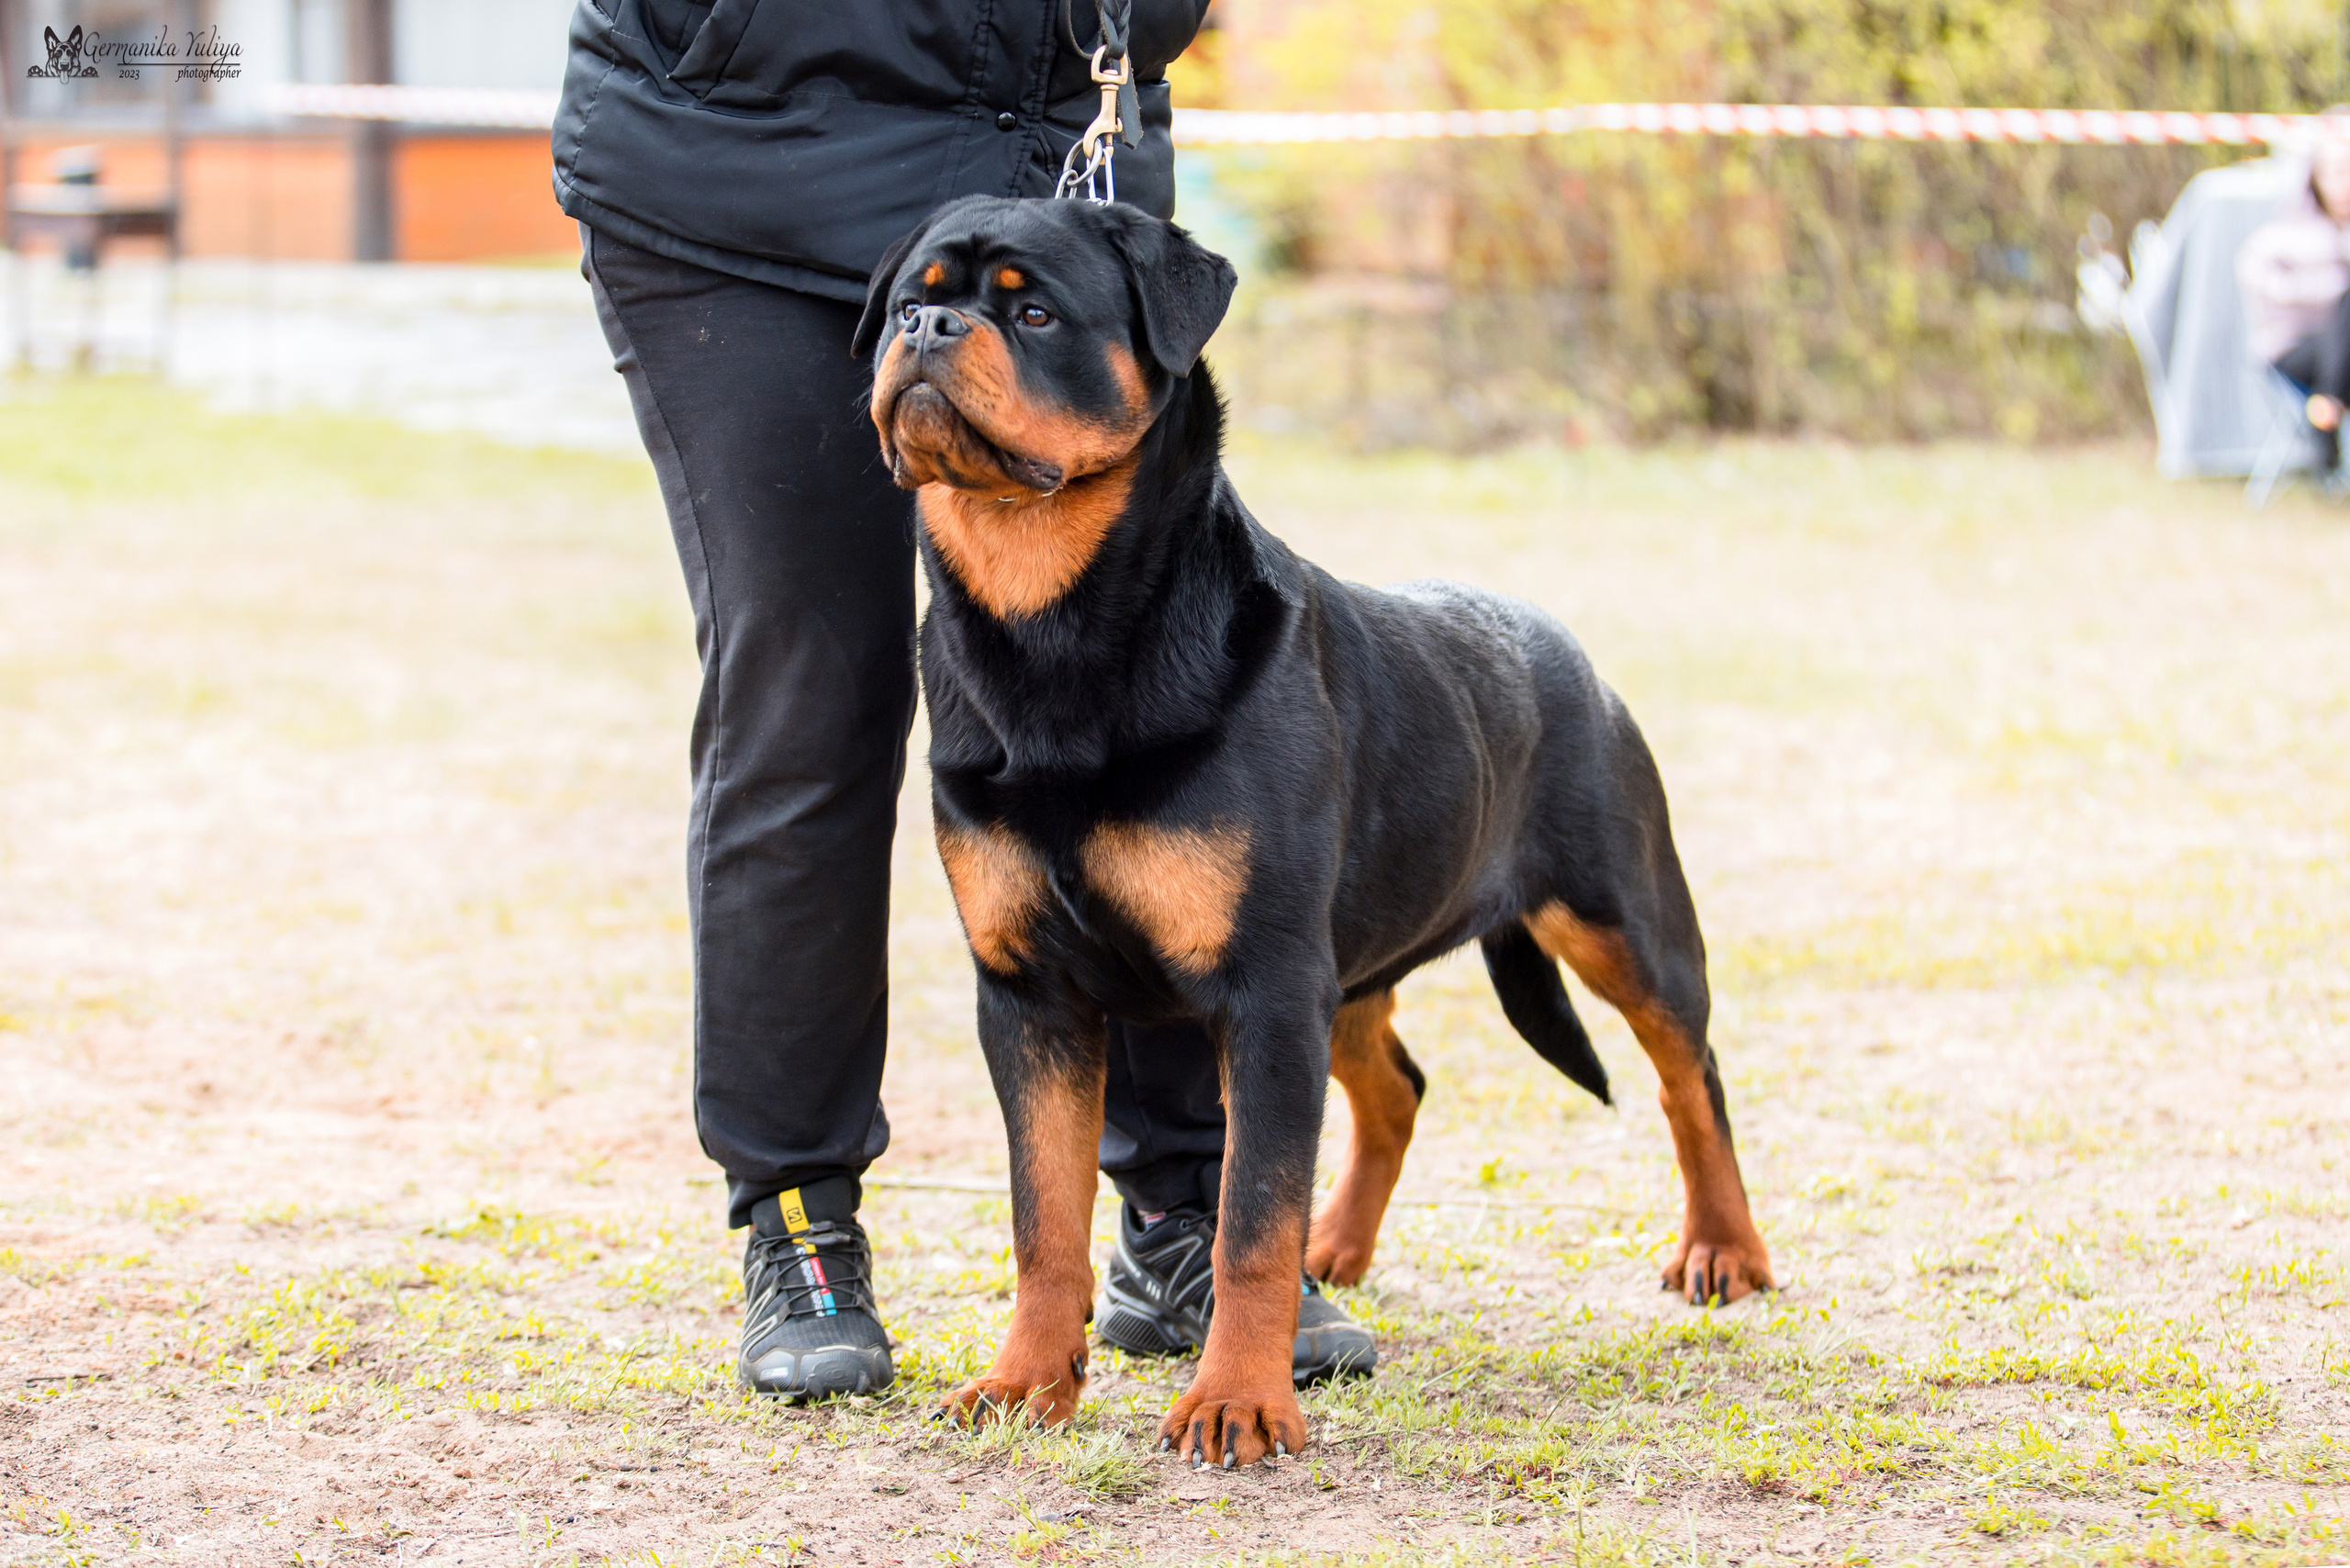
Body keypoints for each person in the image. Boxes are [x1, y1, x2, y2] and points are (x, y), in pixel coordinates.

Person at [552, 0, 1376, 1401]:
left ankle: (1184, 1213)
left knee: (1163, 693)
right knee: (810, 691)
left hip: (1057, 147)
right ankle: (798, 1213)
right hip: (731, 159)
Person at [2238, 114, 2350, 469]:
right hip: (2292, 348)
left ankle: (2328, 403)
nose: (2342, 182)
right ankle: (2330, 399)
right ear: (2315, 177)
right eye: (2335, 171)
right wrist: (2313, 288)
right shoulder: (2289, 229)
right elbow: (2253, 271)